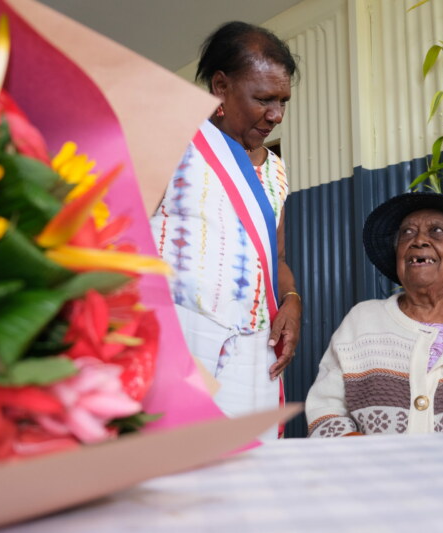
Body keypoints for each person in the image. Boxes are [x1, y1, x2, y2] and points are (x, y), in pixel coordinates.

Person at [150, 22, 301, 430]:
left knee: (251, 474)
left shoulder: (275, 171)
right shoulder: (172, 141)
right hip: (182, 337)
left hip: (254, 353)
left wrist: (291, 299)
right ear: (221, 86)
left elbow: (277, 257)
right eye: (265, 99)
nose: (277, 115)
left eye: (283, 101)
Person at [305, 192, 443, 437]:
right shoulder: (362, 320)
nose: (419, 241)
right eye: (407, 233)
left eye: (437, 231)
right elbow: (325, 409)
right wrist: (367, 455)